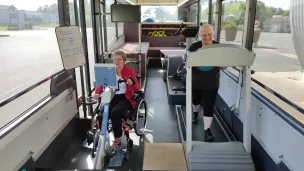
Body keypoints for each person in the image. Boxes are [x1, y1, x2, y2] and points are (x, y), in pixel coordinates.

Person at [188, 24, 226, 142]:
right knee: (196, 100)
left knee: (209, 105)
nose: (207, 37)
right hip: (196, 80)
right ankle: (195, 114)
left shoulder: (218, 47)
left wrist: (222, 64)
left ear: (213, 35)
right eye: (204, 35)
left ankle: (207, 130)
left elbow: (224, 66)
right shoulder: (194, 47)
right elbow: (188, 65)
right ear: (199, 36)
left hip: (212, 81)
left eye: (209, 35)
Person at [94, 50, 140, 148]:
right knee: (103, 113)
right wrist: (97, 92)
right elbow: (102, 82)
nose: (117, 62)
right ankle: (103, 135)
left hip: (125, 97)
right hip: (112, 96)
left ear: (124, 61)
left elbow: (137, 87)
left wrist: (131, 84)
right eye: (115, 60)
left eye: (119, 59)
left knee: (115, 112)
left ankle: (117, 138)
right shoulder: (110, 70)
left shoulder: (129, 71)